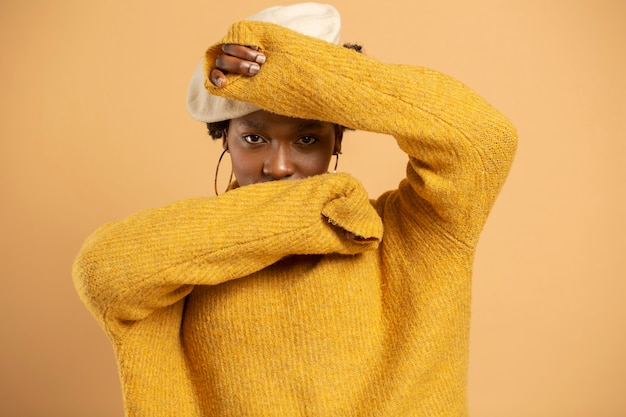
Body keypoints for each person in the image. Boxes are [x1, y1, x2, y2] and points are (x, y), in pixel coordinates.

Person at [72, 3, 517, 416]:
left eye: (307, 139)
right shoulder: (184, 261)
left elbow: (482, 140)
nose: (279, 166)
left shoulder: (414, 234)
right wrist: (315, 211)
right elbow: (103, 272)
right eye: (253, 138)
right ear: (224, 137)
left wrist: (303, 72)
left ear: (337, 139)